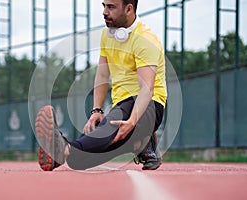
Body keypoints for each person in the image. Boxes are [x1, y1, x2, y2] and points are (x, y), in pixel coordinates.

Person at [35, 0, 166, 171]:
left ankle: (63, 148)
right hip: (122, 105)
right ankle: (142, 142)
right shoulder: (108, 35)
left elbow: (147, 89)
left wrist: (132, 121)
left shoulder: (145, 39)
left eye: (111, 7)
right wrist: (96, 111)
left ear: (129, 9)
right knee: (78, 162)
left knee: (110, 131)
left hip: (148, 104)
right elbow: (103, 74)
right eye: (103, 5)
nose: (104, 12)